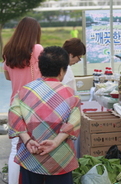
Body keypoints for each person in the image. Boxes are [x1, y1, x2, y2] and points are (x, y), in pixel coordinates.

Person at [7, 46, 81, 184]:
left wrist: (27, 140)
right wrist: (56, 142)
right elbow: (74, 122)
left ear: (40, 68)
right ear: (62, 71)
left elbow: (14, 118)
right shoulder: (71, 94)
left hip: (30, 156)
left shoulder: (24, 91)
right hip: (60, 158)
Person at [2, 17, 43, 184]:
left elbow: (7, 76)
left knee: (15, 149)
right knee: (37, 145)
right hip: (35, 105)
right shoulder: (37, 49)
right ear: (35, 32)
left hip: (15, 104)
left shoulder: (8, 50)